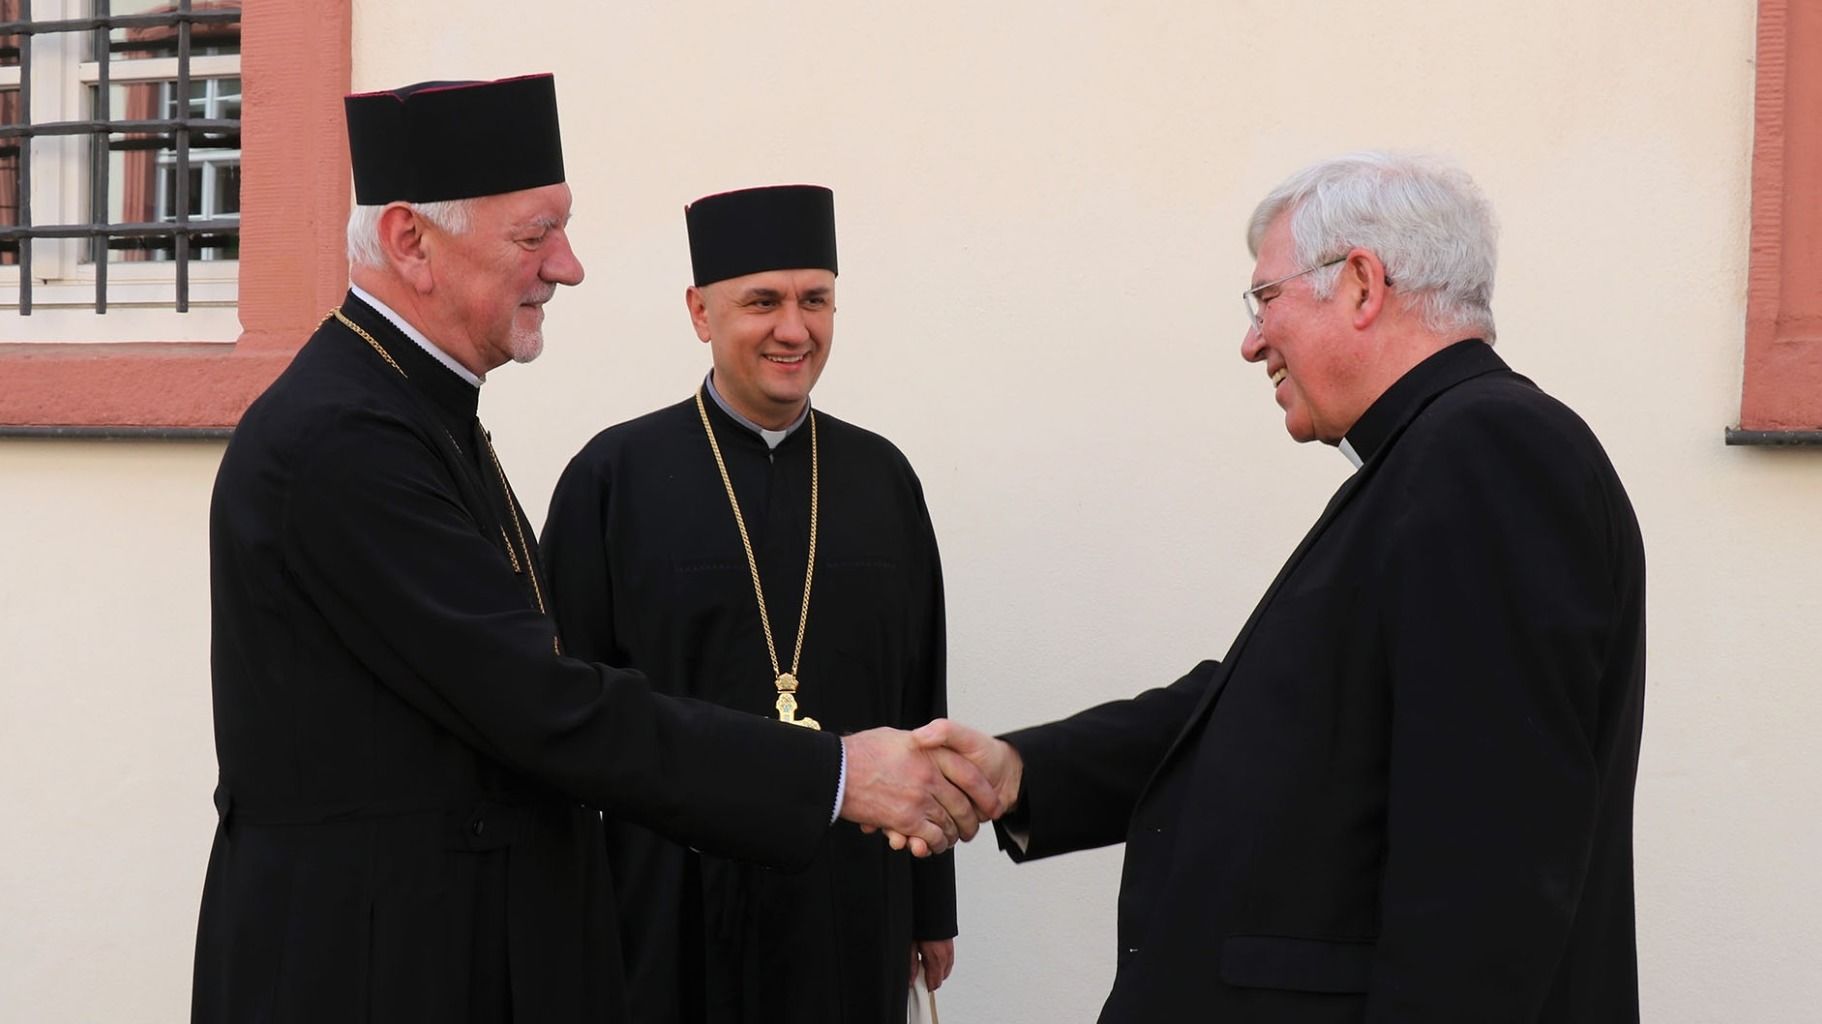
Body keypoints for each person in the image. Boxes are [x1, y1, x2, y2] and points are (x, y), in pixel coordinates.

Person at [193, 76, 993, 1024]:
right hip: (376, 967)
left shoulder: (417, 411)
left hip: (755, 925)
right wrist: (836, 774)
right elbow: (549, 703)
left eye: (815, 299)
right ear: (412, 241)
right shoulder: (345, 441)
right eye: (536, 236)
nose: (567, 267)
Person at [920, 151, 1647, 1022]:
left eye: (1266, 299)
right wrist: (1020, 772)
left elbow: (1487, 866)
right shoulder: (1435, 456)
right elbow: (1269, 711)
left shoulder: (1486, 454)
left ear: (1362, 285)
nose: (1253, 339)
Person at [540, 184, 956, 1023]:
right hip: (664, 900)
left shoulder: (882, 480)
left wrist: (928, 905)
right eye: (761, 301)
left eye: (816, 300)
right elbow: (560, 716)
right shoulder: (612, 478)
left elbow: (922, 703)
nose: (793, 330)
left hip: (846, 898)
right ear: (700, 312)